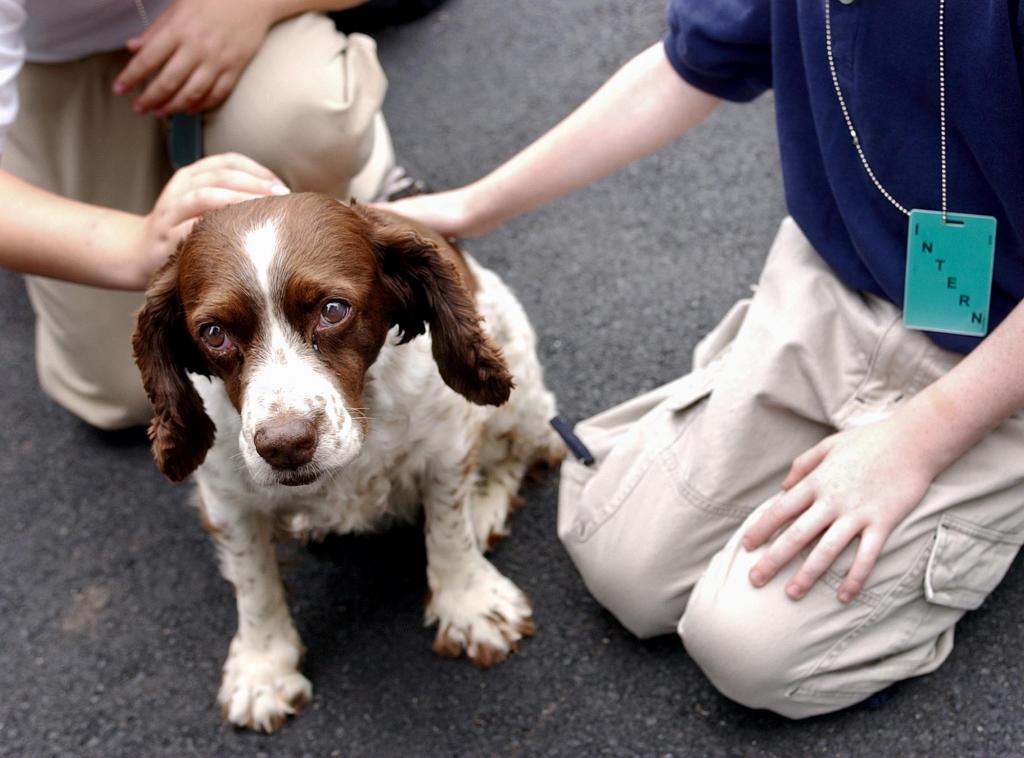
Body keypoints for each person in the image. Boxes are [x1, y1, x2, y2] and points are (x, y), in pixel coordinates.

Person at [382, 1, 1024, 718]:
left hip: (1005, 352)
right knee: (619, 559)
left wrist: (917, 441)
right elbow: (689, 63)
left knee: (748, 651)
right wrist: (469, 209)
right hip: (840, 282)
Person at [0, 0, 397, 430]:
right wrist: (134, 247)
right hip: (56, 61)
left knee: (309, 124)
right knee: (124, 391)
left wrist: (253, 8)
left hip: (234, 14)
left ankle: (360, 179)